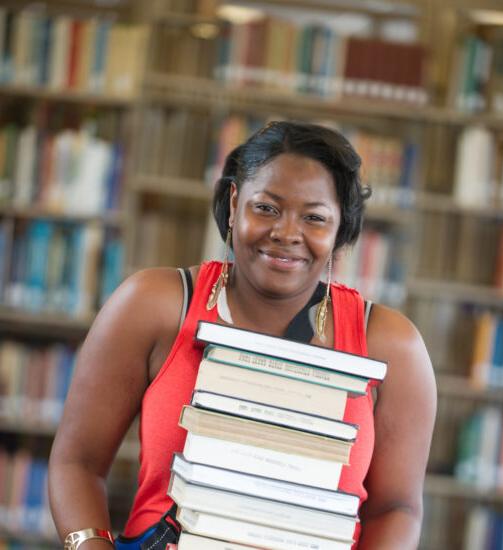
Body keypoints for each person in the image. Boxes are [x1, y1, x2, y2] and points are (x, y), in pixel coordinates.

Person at [49, 121, 436, 550]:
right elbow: (77, 464)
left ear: (340, 228)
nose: (287, 233)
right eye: (267, 208)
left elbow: (397, 509)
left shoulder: (392, 347)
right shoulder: (155, 306)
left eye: (314, 217)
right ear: (235, 204)